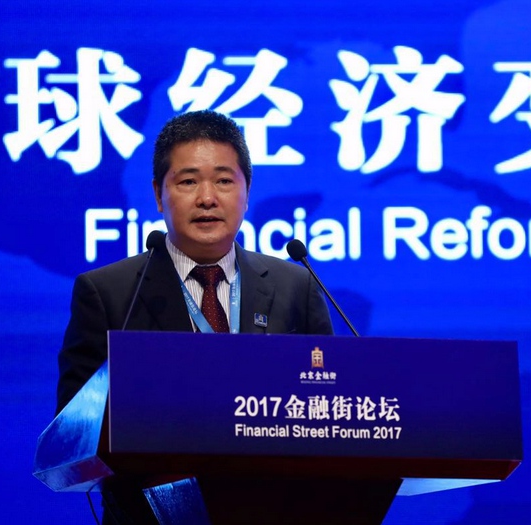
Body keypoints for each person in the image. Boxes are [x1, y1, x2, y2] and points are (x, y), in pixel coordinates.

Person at [55, 110, 334, 523]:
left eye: (224, 181)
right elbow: (74, 427)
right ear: (158, 194)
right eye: (188, 181)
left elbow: (329, 405)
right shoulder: (108, 293)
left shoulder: (296, 286)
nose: (207, 198)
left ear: (246, 191)